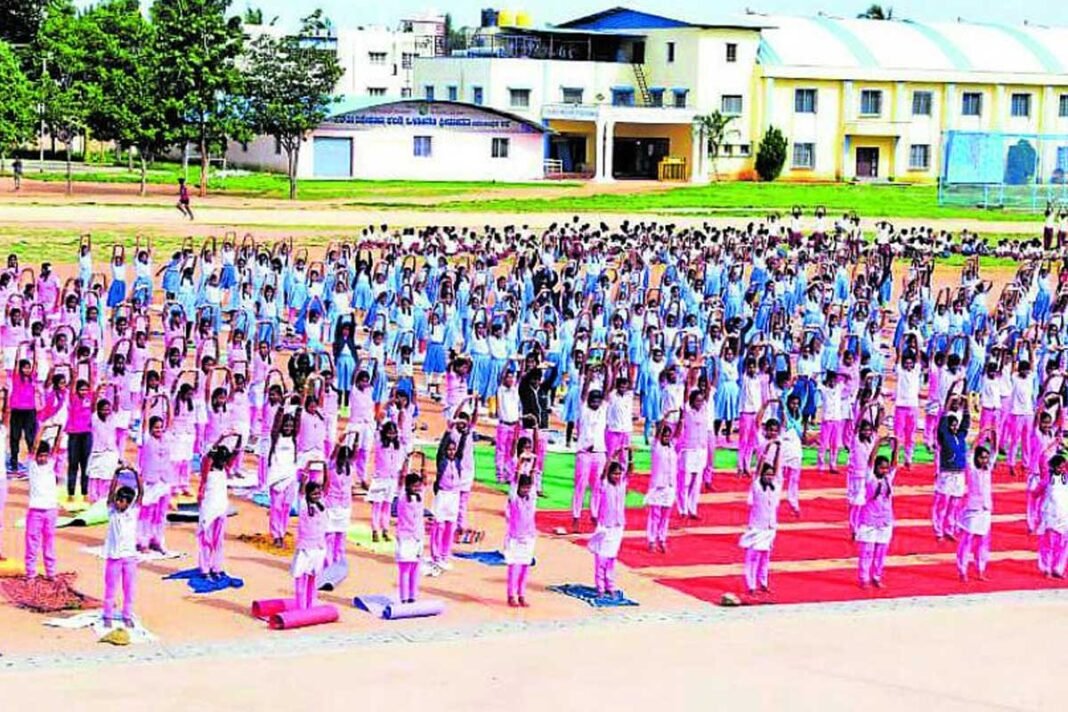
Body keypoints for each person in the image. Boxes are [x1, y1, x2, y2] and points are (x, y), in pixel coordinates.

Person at [103, 469, 143, 628]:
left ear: (129, 502)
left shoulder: (133, 512)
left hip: (129, 558)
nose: (118, 503)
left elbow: (140, 492)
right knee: (110, 588)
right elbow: (110, 492)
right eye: (117, 500)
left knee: (129, 589)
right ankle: (107, 615)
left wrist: (134, 472)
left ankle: (127, 615)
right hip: (113, 557)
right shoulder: (112, 512)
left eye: (122, 501)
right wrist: (116, 474)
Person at [857, 437, 899, 588]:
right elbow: (869, 461)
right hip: (869, 519)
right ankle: (864, 578)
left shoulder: (888, 478)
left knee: (881, 551)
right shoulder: (870, 478)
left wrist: (896, 446)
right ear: (876, 468)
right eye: (881, 468)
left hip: (885, 519)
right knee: (867, 551)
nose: (885, 470)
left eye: (886, 468)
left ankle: (876, 576)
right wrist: (877, 444)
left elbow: (895, 464)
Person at [588, 452, 628, 598]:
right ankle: (600, 587)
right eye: (614, 474)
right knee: (601, 559)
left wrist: (629, 455)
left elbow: (630, 470)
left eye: (619, 474)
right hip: (605, 526)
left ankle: (610, 586)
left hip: (618, 525)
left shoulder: (622, 486)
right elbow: (603, 474)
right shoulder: (604, 485)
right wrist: (612, 457)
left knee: (611, 558)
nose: (617, 476)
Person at [958, 431, 995, 582]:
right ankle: (962, 569)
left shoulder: (988, 470)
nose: (985, 460)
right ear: (976, 458)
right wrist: (980, 435)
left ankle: (980, 569)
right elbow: (970, 452)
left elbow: (994, 450)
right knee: (967, 540)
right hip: (973, 509)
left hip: (986, 509)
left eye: (986, 458)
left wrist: (994, 435)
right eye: (982, 457)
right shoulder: (972, 469)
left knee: (983, 542)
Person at [292, 474, 328, 609]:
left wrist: (324, 468)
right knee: (301, 579)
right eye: (313, 494)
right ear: (307, 494)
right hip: (305, 549)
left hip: (319, 548)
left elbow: (326, 485)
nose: (317, 495)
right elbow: (301, 492)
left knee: (313, 579)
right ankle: (300, 608)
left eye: (319, 493)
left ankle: (310, 605)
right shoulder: (303, 506)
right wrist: (304, 478)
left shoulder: (322, 505)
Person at [25, 440, 59, 580]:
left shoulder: (51, 465)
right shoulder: (32, 466)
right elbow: (34, 447)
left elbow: (57, 444)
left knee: (49, 542)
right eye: (40, 456)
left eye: (45, 456)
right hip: (35, 511)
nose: (42, 459)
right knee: (32, 541)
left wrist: (60, 427)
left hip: (51, 510)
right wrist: (44, 427)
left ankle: (51, 572)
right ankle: (30, 572)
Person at [504, 472, 537, 607]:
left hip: (529, 537)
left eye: (527, 488)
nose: (526, 490)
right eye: (523, 487)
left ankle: (521, 594)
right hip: (515, 538)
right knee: (514, 568)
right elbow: (513, 486)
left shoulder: (531, 500)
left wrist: (533, 466)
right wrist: (519, 467)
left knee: (525, 567)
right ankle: (511, 595)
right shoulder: (514, 500)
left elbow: (534, 485)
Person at [395, 471, 424, 603]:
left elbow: (425, 481)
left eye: (418, 486)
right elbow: (400, 480)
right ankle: (404, 597)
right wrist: (406, 462)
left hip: (417, 537)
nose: (417, 488)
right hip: (405, 538)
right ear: (408, 486)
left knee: (415, 568)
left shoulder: (420, 497)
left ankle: (413, 596)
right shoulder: (402, 498)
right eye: (414, 486)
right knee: (405, 569)